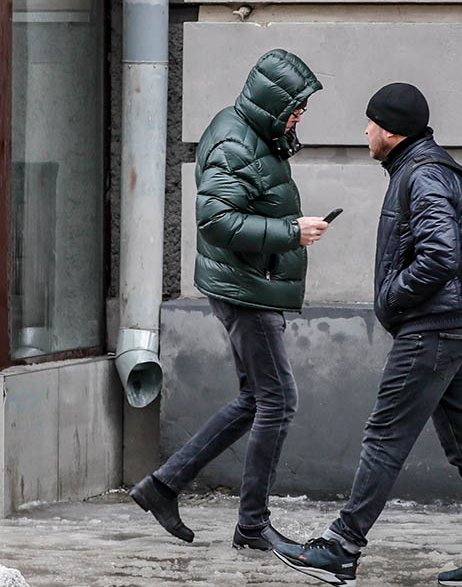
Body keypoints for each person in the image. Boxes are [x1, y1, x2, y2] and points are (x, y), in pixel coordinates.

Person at [272, 83, 462, 587]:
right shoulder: (425, 166)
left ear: (390, 129)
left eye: (370, 123)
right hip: (455, 326)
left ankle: (341, 549)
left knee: (385, 437)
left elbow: (439, 255)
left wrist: (393, 297)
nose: (365, 131)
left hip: (433, 328)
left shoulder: (423, 174)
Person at [129, 49, 329, 551]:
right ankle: (253, 525)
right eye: (296, 106)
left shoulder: (255, 133)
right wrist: (291, 232)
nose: (301, 115)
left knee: (255, 399)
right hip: (245, 290)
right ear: (272, 103)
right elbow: (216, 221)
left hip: (247, 283)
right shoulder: (235, 144)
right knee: (279, 400)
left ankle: (163, 485)